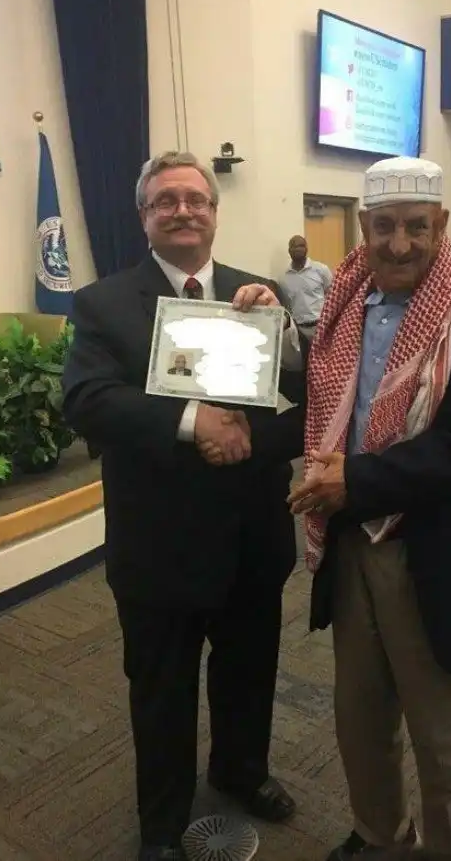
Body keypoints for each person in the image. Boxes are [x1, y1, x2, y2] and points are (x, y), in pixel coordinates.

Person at [63, 151, 308, 861]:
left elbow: (311, 395)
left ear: (214, 213)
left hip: (251, 535)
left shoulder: (259, 296)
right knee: (162, 692)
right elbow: (87, 399)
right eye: (165, 200)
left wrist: (286, 343)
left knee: (249, 671)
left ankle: (241, 771)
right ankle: (163, 825)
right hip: (159, 547)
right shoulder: (104, 303)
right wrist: (193, 422)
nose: (182, 210)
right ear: (144, 216)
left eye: (196, 199)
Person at [288, 156, 451, 860]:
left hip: (439, 551)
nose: (399, 244)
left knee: (448, 735)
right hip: (352, 547)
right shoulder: (343, 303)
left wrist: (358, 482)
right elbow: (317, 404)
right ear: (364, 226)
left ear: (441, 224)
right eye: (385, 226)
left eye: (417, 226)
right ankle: (379, 834)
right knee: (360, 716)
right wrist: (258, 322)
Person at [278, 235, 333, 338]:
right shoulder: (283, 278)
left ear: (306, 249)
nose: (298, 249)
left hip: (320, 327)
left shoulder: (321, 270)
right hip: (297, 331)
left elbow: (333, 297)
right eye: (294, 246)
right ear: (289, 251)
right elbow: (286, 306)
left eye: (301, 246)